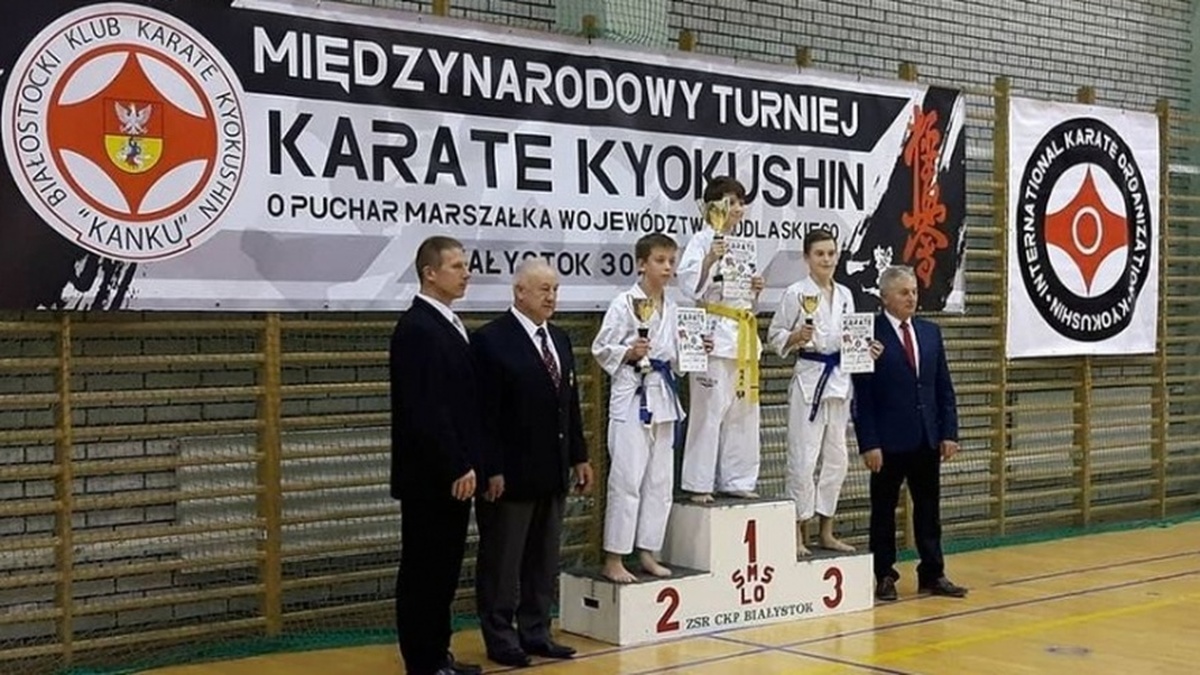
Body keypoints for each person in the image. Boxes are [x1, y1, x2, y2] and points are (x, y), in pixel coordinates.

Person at [471, 259, 594, 668]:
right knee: (503, 562)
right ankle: (500, 637)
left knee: (543, 560)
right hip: (509, 477)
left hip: (552, 471)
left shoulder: (559, 339)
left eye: (555, 289)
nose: (551, 297)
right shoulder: (491, 340)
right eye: (543, 289)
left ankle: (537, 631)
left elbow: (568, 406)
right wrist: (491, 468)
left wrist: (579, 456)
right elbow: (484, 414)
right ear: (519, 291)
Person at [389, 236, 484, 675]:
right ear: (430, 273)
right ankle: (423, 661)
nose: (466, 273)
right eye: (457, 266)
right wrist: (455, 464)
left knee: (444, 569)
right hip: (431, 476)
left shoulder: (448, 323)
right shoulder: (417, 328)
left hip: (452, 473)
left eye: (466, 265)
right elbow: (426, 407)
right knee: (424, 569)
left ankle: (438, 652)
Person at [851, 265, 967, 602]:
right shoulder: (869, 335)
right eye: (904, 292)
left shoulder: (930, 333)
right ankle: (884, 574)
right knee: (883, 511)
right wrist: (869, 442)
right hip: (887, 442)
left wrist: (949, 432)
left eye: (914, 291)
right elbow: (863, 395)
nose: (911, 298)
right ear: (885, 297)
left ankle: (932, 572)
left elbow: (943, 387)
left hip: (926, 437)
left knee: (929, 509)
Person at [592, 233, 701, 583]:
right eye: (660, 260)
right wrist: (628, 352)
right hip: (632, 395)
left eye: (671, 261)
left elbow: (678, 362)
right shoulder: (624, 303)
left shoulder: (675, 307)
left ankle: (648, 552)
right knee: (627, 478)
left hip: (663, 397)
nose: (667, 267)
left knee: (660, 481)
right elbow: (601, 348)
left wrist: (696, 348)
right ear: (641, 263)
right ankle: (614, 557)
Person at [768, 229, 881, 556]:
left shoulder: (845, 294)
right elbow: (775, 337)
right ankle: (797, 532)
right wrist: (796, 337)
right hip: (809, 381)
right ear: (807, 258)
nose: (827, 259)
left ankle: (826, 531)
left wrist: (865, 349)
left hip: (839, 382)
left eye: (831, 253)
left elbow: (850, 339)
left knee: (837, 460)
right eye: (820, 254)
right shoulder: (795, 293)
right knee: (803, 459)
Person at [676, 176, 765, 503]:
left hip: (742, 334)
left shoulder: (742, 245)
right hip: (713, 336)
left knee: (743, 412)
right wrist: (709, 259)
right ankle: (699, 483)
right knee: (708, 412)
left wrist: (754, 289)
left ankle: (737, 479)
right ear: (713, 206)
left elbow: (743, 298)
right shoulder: (702, 241)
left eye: (741, 202)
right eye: (731, 202)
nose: (738, 208)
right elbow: (689, 286)